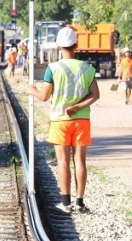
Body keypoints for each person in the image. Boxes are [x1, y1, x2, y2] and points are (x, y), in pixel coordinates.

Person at [27, 27, 100, 214]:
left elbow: (43, 96)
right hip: (82, 120)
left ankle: (65, 203)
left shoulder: (53, 69)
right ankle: (80, 203)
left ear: (59, 46)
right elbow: (95, 95)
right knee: (80, 161)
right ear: (76, 45)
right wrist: (77, 107)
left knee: (62, 161)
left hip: (60, 121)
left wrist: (31, 90)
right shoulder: (88, 68)